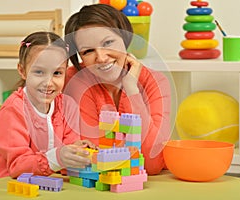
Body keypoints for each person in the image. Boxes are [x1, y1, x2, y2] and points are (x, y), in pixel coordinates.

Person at [63, 4, 171, 175]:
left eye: (108, 43)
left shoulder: (156, 82)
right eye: (88, 51)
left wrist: (131, 89)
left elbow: (152, 164)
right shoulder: (76, 80)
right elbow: (94, 159)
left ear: (125, 37)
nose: (101, 57)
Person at [0, 31, 96, 184]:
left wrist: (76, 152)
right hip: (4, 187)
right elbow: (17, 167)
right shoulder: (14, 110)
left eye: (57, 73)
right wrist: (59, 156)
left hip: (45, 187)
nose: (48, 82)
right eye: (39, 72)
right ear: (22, 71)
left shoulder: (67, 106)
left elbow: (65, 157)